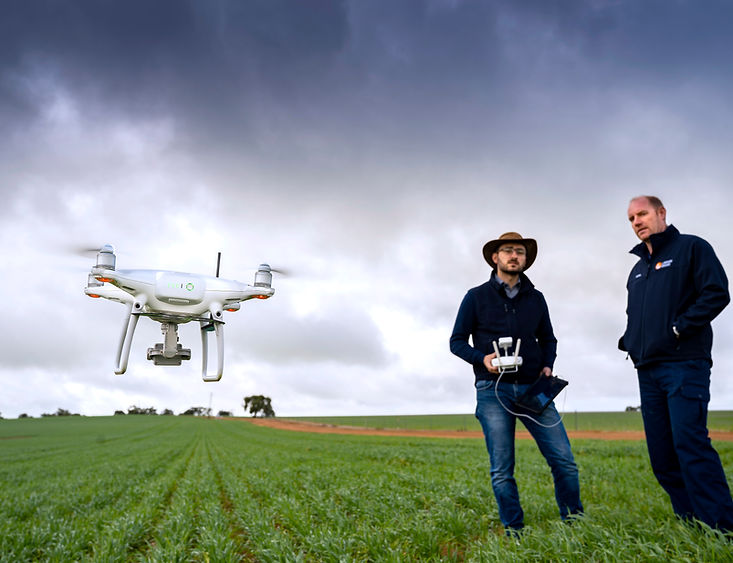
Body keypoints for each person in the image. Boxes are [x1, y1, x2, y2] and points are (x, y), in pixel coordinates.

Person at [450, 232, 583, 535]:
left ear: (525, 259)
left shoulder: (536, 299)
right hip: (491, 391)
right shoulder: (475, 297)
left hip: (534, 389)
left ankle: (575, 523)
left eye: (520, 252)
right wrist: (481, 359)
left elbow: (548, 338)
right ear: (495, 258)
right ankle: (514, 530)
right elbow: (456, 341)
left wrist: (548, 365)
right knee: (502, 469)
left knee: (564, 460)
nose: (514, 256)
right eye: (507, 251)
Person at [620, 195, 733, 532]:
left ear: (661, 213)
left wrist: (678, 328)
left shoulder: (691, 249)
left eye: (642, 214)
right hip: (648, 370)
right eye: (630, 218)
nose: (637, 221)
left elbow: (716, 292)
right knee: (663, 457)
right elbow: (637, 316)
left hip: (684, 364)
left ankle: (723, 528)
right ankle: (693, 523)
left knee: (690, 446)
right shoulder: (638, 269)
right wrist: (630, 340)